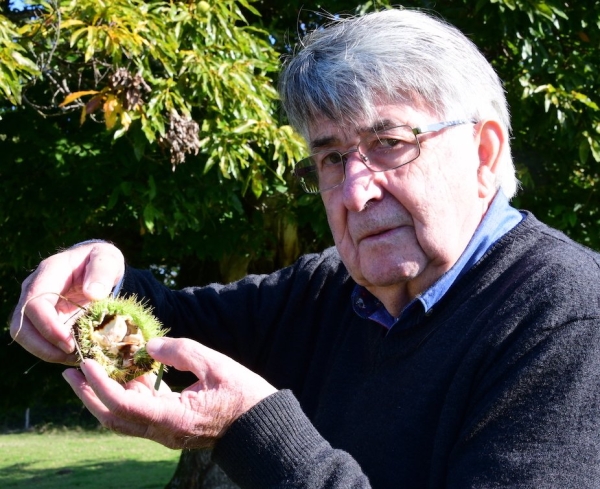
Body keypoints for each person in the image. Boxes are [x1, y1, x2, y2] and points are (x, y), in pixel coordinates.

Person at [10, 8, 600, 488]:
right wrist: (91, 278)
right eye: (332, 158)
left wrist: (249, 429)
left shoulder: (570, 317)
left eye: (391, 142)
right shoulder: (328, 288)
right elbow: (174, 320)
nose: (353, 190)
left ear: (485, 155)